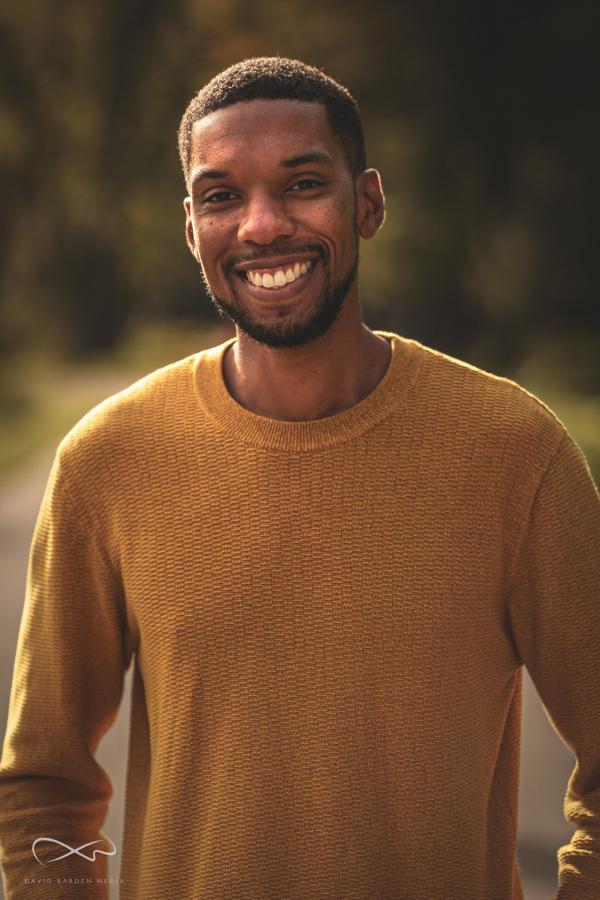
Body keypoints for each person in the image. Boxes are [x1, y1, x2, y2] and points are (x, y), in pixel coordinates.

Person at [0, 56, 598, 900]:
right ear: (190, 227)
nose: (261, 226)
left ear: (368, 203)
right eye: (221, 196)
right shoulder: (108, 462)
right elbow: (44, 793)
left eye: (302, 184)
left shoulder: (515, 454)